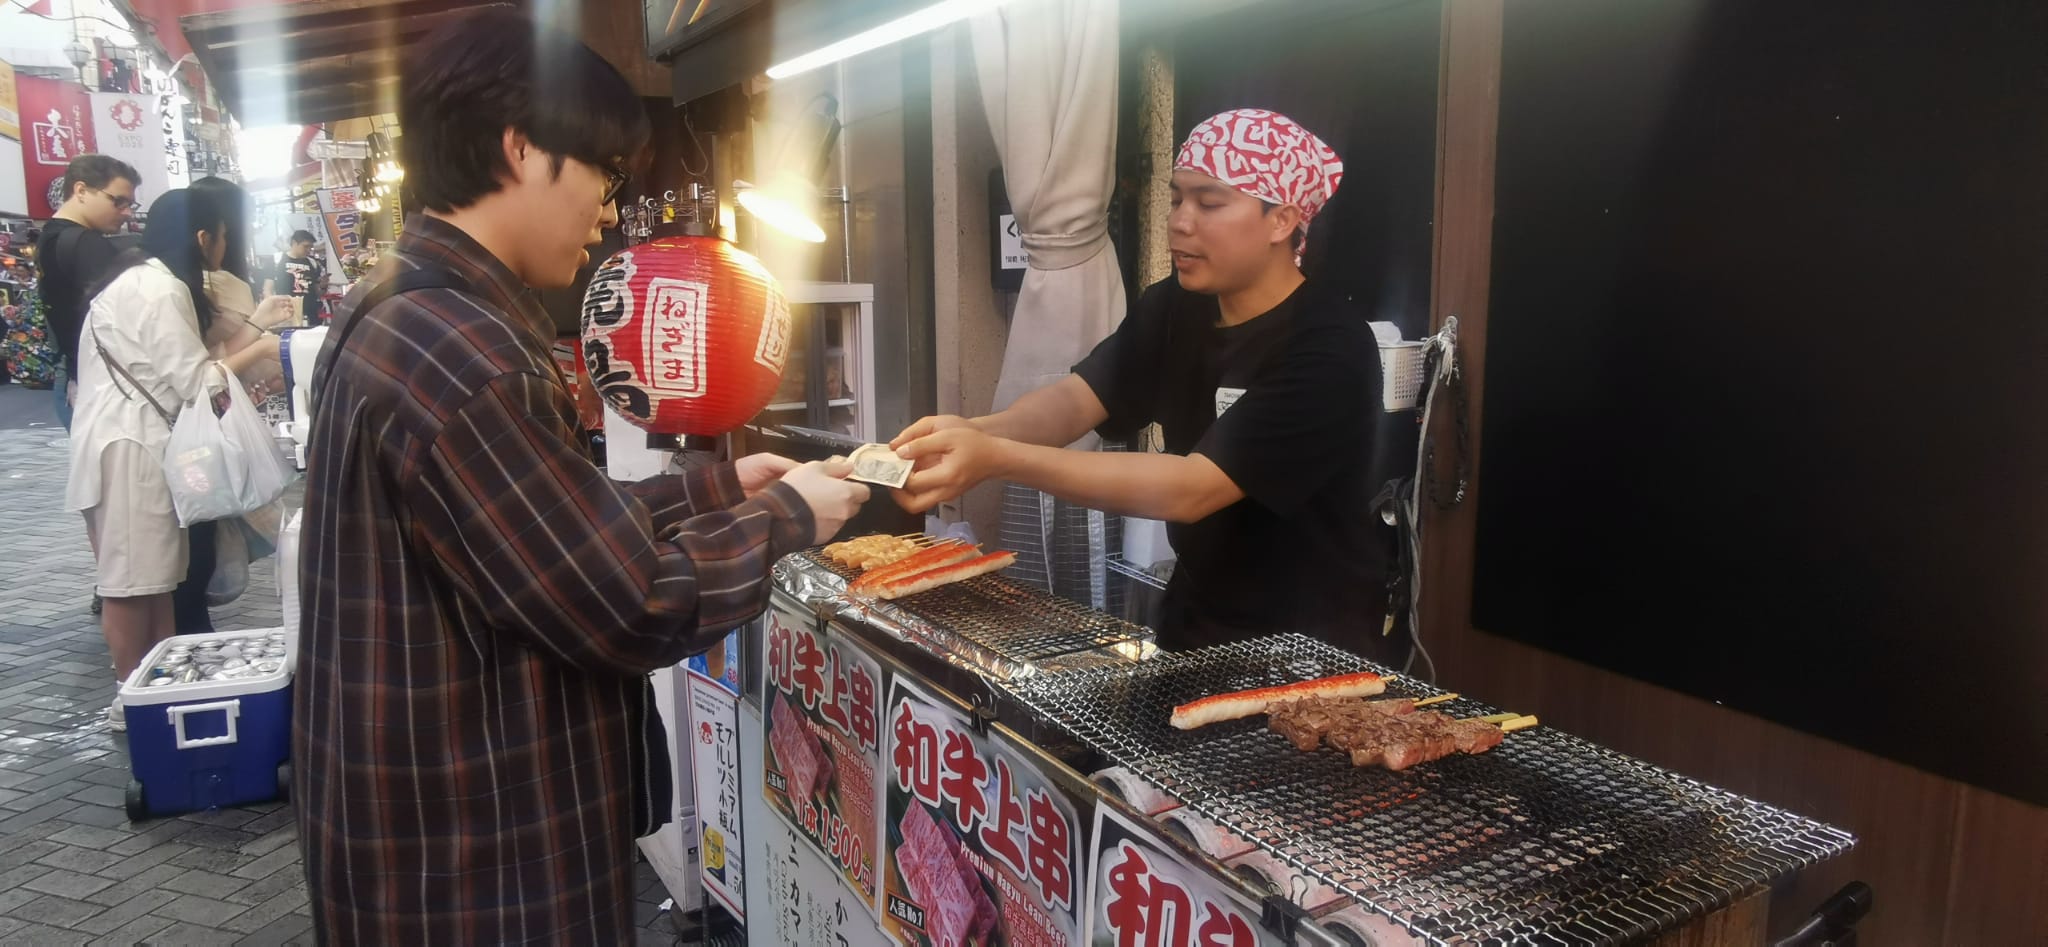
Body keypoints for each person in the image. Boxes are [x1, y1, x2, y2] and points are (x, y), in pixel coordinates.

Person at [293, 12, 870, 941]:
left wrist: (721, 488)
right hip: (478, 869)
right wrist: (788, 518)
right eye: (600, 172)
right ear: (522, 149)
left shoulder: (404, 305)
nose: (608, 210)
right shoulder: (462, 353)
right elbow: (625, 602)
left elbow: (539, 529)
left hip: (425, 840)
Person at [892, 109, 1391, 657]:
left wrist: (996, 457)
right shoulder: (1177, 307)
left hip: (1311, 646)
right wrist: (971, 430)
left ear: (1282, 221)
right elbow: (1076, 399)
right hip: (1197, 619)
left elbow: (1193, 488)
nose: (1179, 221)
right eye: (1177, 197)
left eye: (1210, 202)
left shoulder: (1328, 345)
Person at [64, 188, 284, 729]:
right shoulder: (160, 288)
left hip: (130, 443)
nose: (226, 244)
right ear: (202, 237)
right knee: (130, 581)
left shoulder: (141, 280)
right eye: (222, 234)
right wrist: (262, 348)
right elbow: (193, 379)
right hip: (129, 448)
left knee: (158, 578)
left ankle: (160, 684)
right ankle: (128, 698)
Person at [37, 155, 139, 431]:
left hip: (75, 376)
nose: (127, 212)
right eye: (118, 201)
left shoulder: (51, 236)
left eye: (130, 204)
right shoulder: (84, 244)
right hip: (98, 382)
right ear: (81, 191)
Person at [263, 229, 324, 323]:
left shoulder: (313, 263)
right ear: (294, 243)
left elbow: (318, 293)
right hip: (285, 313)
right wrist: (273, 308)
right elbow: (267, 289)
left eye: (310, 247)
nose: (308, 250)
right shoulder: (276, 260)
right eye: (306, 246)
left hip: (309, 315)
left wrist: (323, 287)